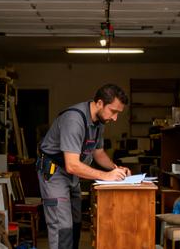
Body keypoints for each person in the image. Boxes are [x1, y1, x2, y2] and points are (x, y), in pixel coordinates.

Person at [37, 84, 132, 249]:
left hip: (72, 175)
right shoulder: (74, 120)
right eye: (114, 111)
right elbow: (72, 164)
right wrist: (105, 176)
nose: (115, 118)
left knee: (75, 222)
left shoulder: (99, 121)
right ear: (100, 103)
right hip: (55, 173)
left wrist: (115, 169)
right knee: (62, 227)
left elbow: (98, 153)